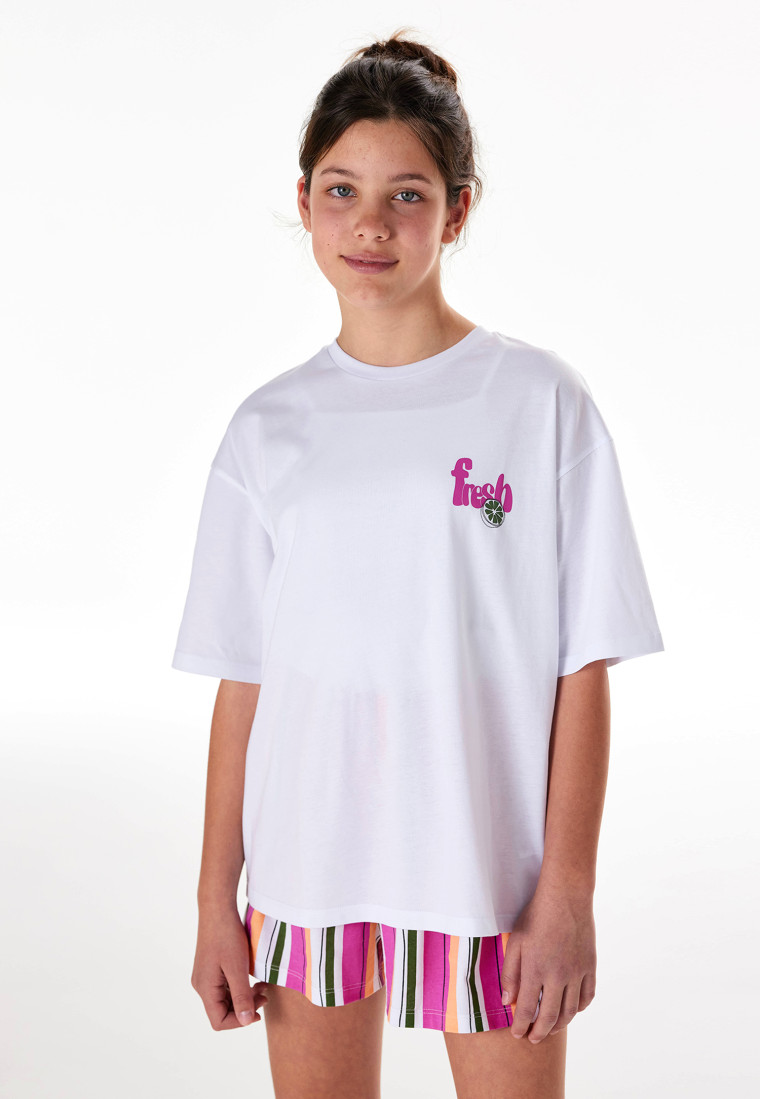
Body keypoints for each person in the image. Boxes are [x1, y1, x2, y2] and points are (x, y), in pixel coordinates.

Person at [172, 28, 664, 1099]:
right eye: (342, 190)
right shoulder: (266, 429)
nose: (370, 223)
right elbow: (243, 681)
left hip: (486, 879)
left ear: (458, 211)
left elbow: (582, 667)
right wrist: (216, 898)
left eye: (407, 194)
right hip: (306, 874)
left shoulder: (540, 404)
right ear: (304, 202)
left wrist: (567, 892)